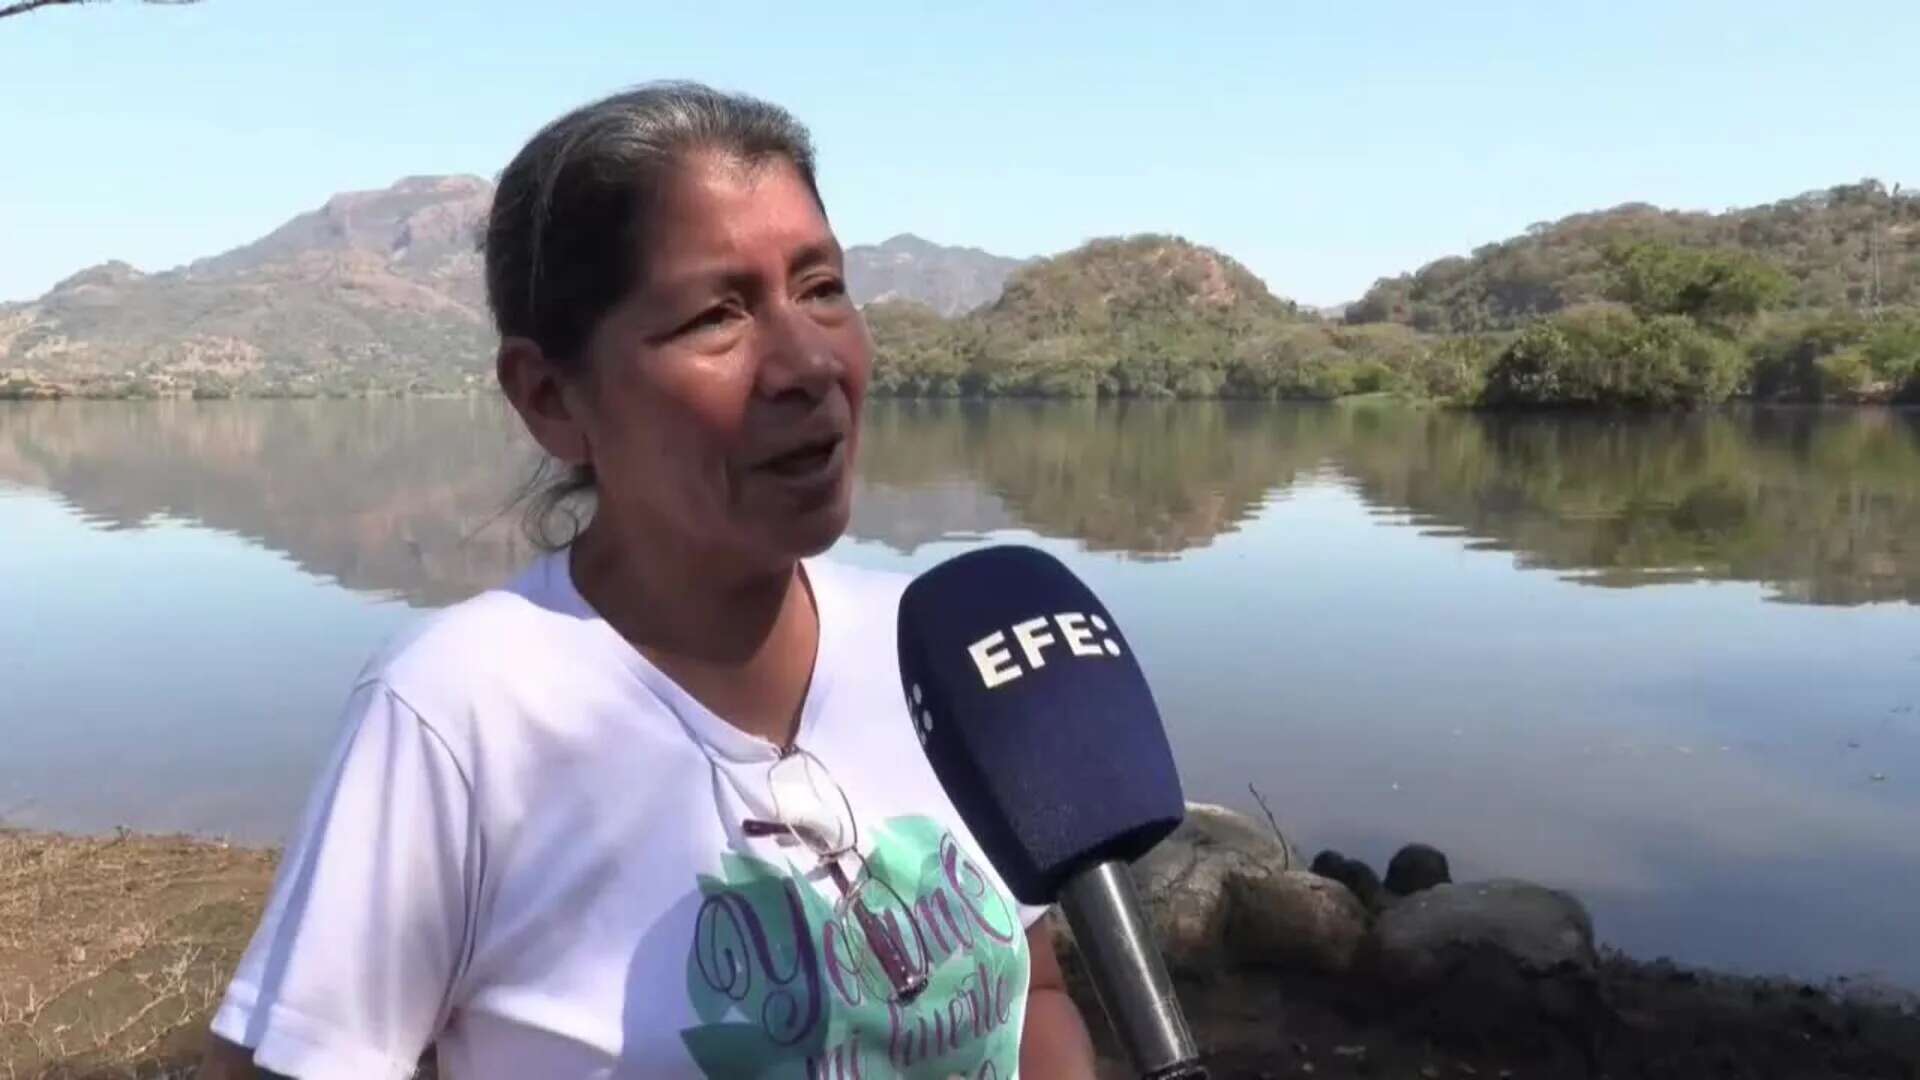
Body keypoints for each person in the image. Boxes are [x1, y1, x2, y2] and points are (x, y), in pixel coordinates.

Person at [201, 82, 1099, 1079]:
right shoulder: (459, 712)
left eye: (822, 288)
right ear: (550, 398)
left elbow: (1037, 989)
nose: (806, 361)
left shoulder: (932, 646)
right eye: (717, 314)